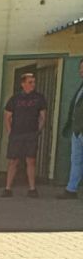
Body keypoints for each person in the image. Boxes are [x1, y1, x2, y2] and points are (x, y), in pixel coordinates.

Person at [1, 73, 47, 197]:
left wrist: (38, 130)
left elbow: (43, 116)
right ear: (23, 84)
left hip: (31, 134)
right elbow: (7, 116)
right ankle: (8, 188)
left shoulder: (39, 98)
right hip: (17, 134)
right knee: (13, 161)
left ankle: (32, 189)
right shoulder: (15, 98)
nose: (33, 84)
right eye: (30, 82)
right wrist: (10, 131)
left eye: (34, 82)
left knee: (31, 160)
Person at [57, 59, 83, 199]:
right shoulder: (81, 86)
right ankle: (71, 189)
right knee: (76, 160)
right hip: (77, 129)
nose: (80, 71)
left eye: (82, 68)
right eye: (80, 68)